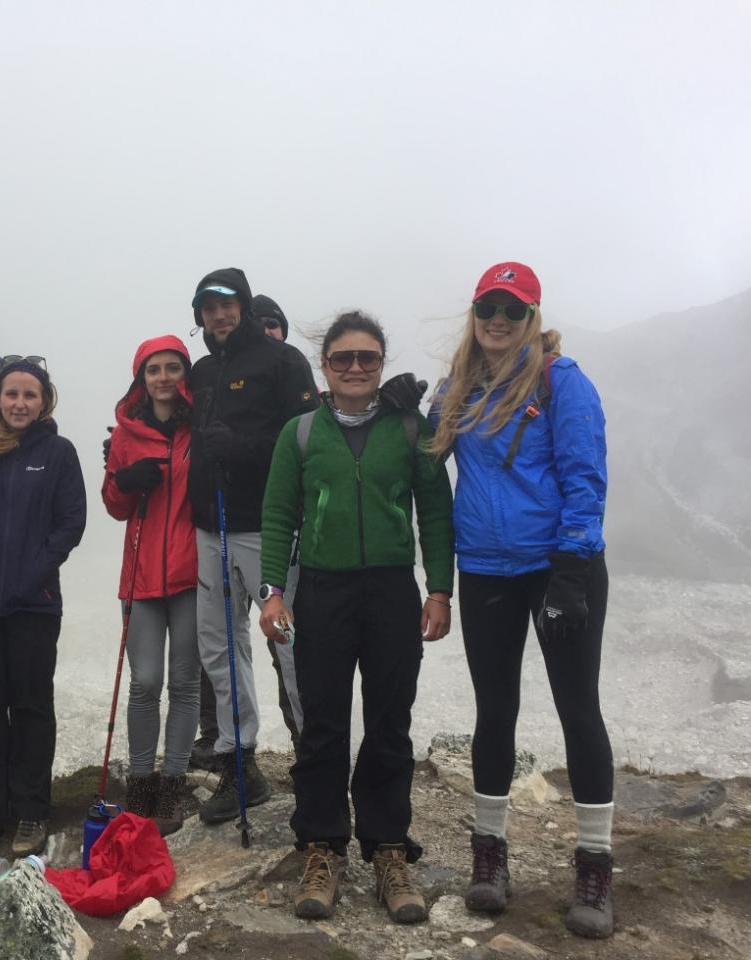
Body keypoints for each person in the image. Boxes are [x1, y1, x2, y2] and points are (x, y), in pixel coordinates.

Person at [428, 262, 613, 938]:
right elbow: (427, 454)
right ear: (475, 312)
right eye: (488, 305)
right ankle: (489, 856)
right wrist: (397, 413)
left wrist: (571, 566)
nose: (497, 318)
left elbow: (585, 474)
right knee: (495, 708)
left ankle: (594, 865)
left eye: (512, 307)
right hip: (486, 570)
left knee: (578, 709)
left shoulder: (561, 381)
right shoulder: (458, 387)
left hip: (558, 568)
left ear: (532, 315)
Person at [258, 312, 454, 924]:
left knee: (391, 720)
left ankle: (388, 848)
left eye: (367, 358)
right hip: (320, 589)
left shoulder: (409, 426)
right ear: (325, 366)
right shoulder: (298, 434)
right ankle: (322, 846)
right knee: (322, 722)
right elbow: (277, 517)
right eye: (342, 358)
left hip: (394, 590)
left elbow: (435, 511)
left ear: (381, 362)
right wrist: (271, 594)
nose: (355, 368)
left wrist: (440, 590)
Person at [187, 267, 320, 823]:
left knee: (288, 644)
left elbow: (308, 437)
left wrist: (241, 447)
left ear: (242, 307)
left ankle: (317, 760)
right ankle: (239, 761)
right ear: (200, 317)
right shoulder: (201, 372)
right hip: (208, 528)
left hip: (265, 528)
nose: (219, 315)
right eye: (208, 308)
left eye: (227, 305)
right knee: (219, 646)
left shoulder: (281, 362)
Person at [0, 357, 86, 859]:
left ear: (44, 401)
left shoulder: (59, 453)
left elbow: (71, 522)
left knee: (29, 706)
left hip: (35, 604)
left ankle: (30, 811)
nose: (20, 403)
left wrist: (35, 570)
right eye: (11, 394)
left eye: (30, 394)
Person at [102, 335, 200, 836]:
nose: (163, 378)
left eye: (173, 368)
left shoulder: (198, 427)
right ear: (141, 379)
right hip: (140, 577)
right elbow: (114, 506)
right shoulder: (126, 434)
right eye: (153, 370)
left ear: (185, 374)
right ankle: (140, 782)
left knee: (183, 684)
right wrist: (124, 482)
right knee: (144, 684)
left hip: (190, 575)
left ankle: (174, 782)